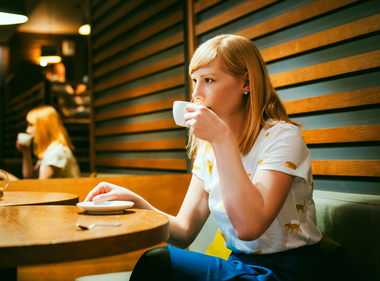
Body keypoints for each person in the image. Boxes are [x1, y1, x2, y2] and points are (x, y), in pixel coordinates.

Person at [84, 34, 323, 281]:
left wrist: (222, 139)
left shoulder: (282, 137)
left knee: (157, 261)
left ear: (246, 82)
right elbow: (184, 231)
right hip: (239, 266)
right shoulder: (209, 148)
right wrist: (133, 202)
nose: (197, 93)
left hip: (286, 271)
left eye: (209, 80)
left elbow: (249, 227)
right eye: (195, 81)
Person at [16, 105, 81, 179]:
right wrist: (26, 153)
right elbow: (30, 177)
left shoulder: (57, 151)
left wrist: (4, 176)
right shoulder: (49, 151)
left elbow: (39, 186)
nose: (27, 130)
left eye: (31, 125)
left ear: (44, 127)